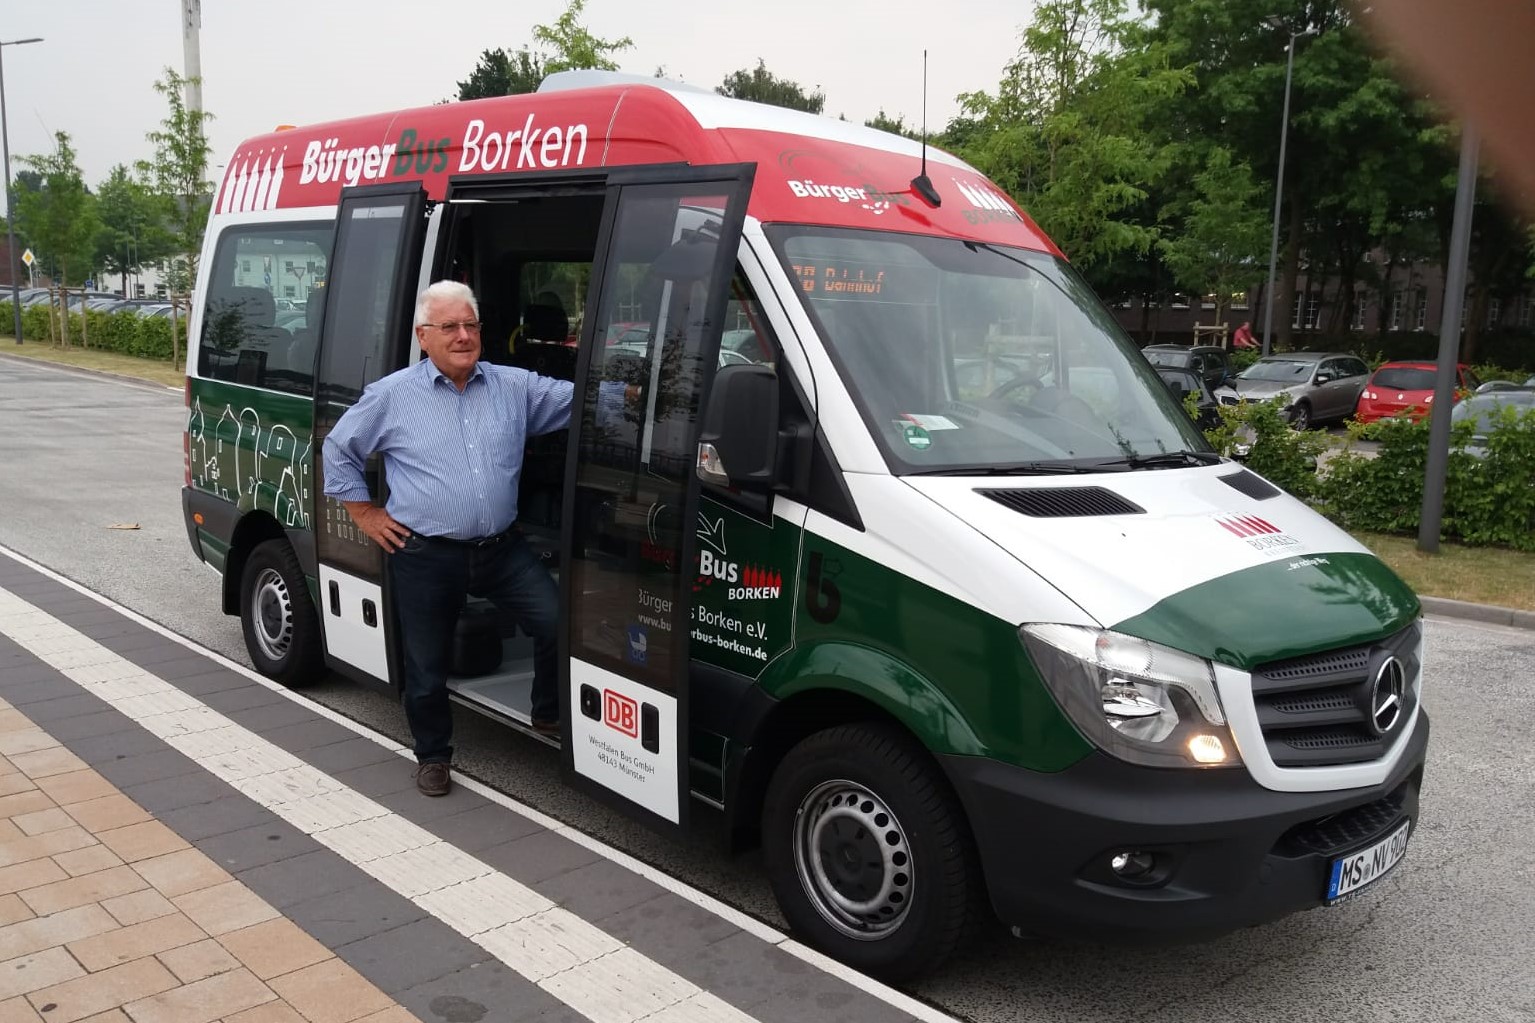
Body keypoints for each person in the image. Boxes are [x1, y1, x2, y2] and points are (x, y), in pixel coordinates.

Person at [322, 280, 625, 797]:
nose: (463, 336)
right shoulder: (392, 396)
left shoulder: (514, 387)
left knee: (557, 623)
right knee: (426, 666)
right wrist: (366, 515)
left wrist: (648, 393)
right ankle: (433, 755)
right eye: (450, 327)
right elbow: (337, 449)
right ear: (424, 336)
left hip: (501, 550)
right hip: (423, 553)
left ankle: (547, 712)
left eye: (471, 325)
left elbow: (586, 402)